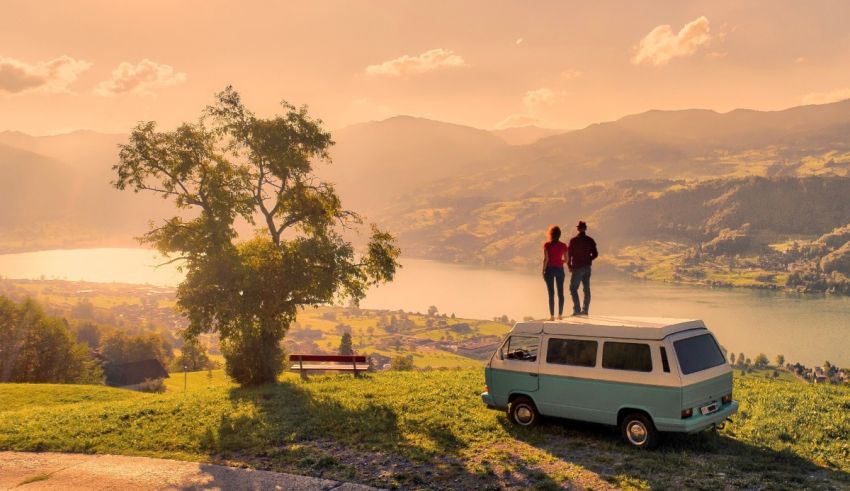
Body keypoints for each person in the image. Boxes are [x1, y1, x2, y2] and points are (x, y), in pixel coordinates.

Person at [568, 221, 598, 316]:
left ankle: (577, 310)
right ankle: (585, 310)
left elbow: (569, 255)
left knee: (573, 288)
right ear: (585, 229)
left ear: (578, 229)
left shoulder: (573, 241)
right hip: (587, 267)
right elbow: (595, 254)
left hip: (577, 267)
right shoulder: (590, 240)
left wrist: (569, 266)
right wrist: (589, 259)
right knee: (586, 289)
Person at [542, 225, 568, 321]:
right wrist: (560, 261)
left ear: (551, 234)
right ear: (559, 235)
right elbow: (567, 259)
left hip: (549, 269)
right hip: (560, 270)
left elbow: (546, 259)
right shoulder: (564, 246)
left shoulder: (547, 245)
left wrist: (543, 271)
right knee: (560, 293)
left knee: (551, 294)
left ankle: (552, 316)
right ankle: (560, 315)